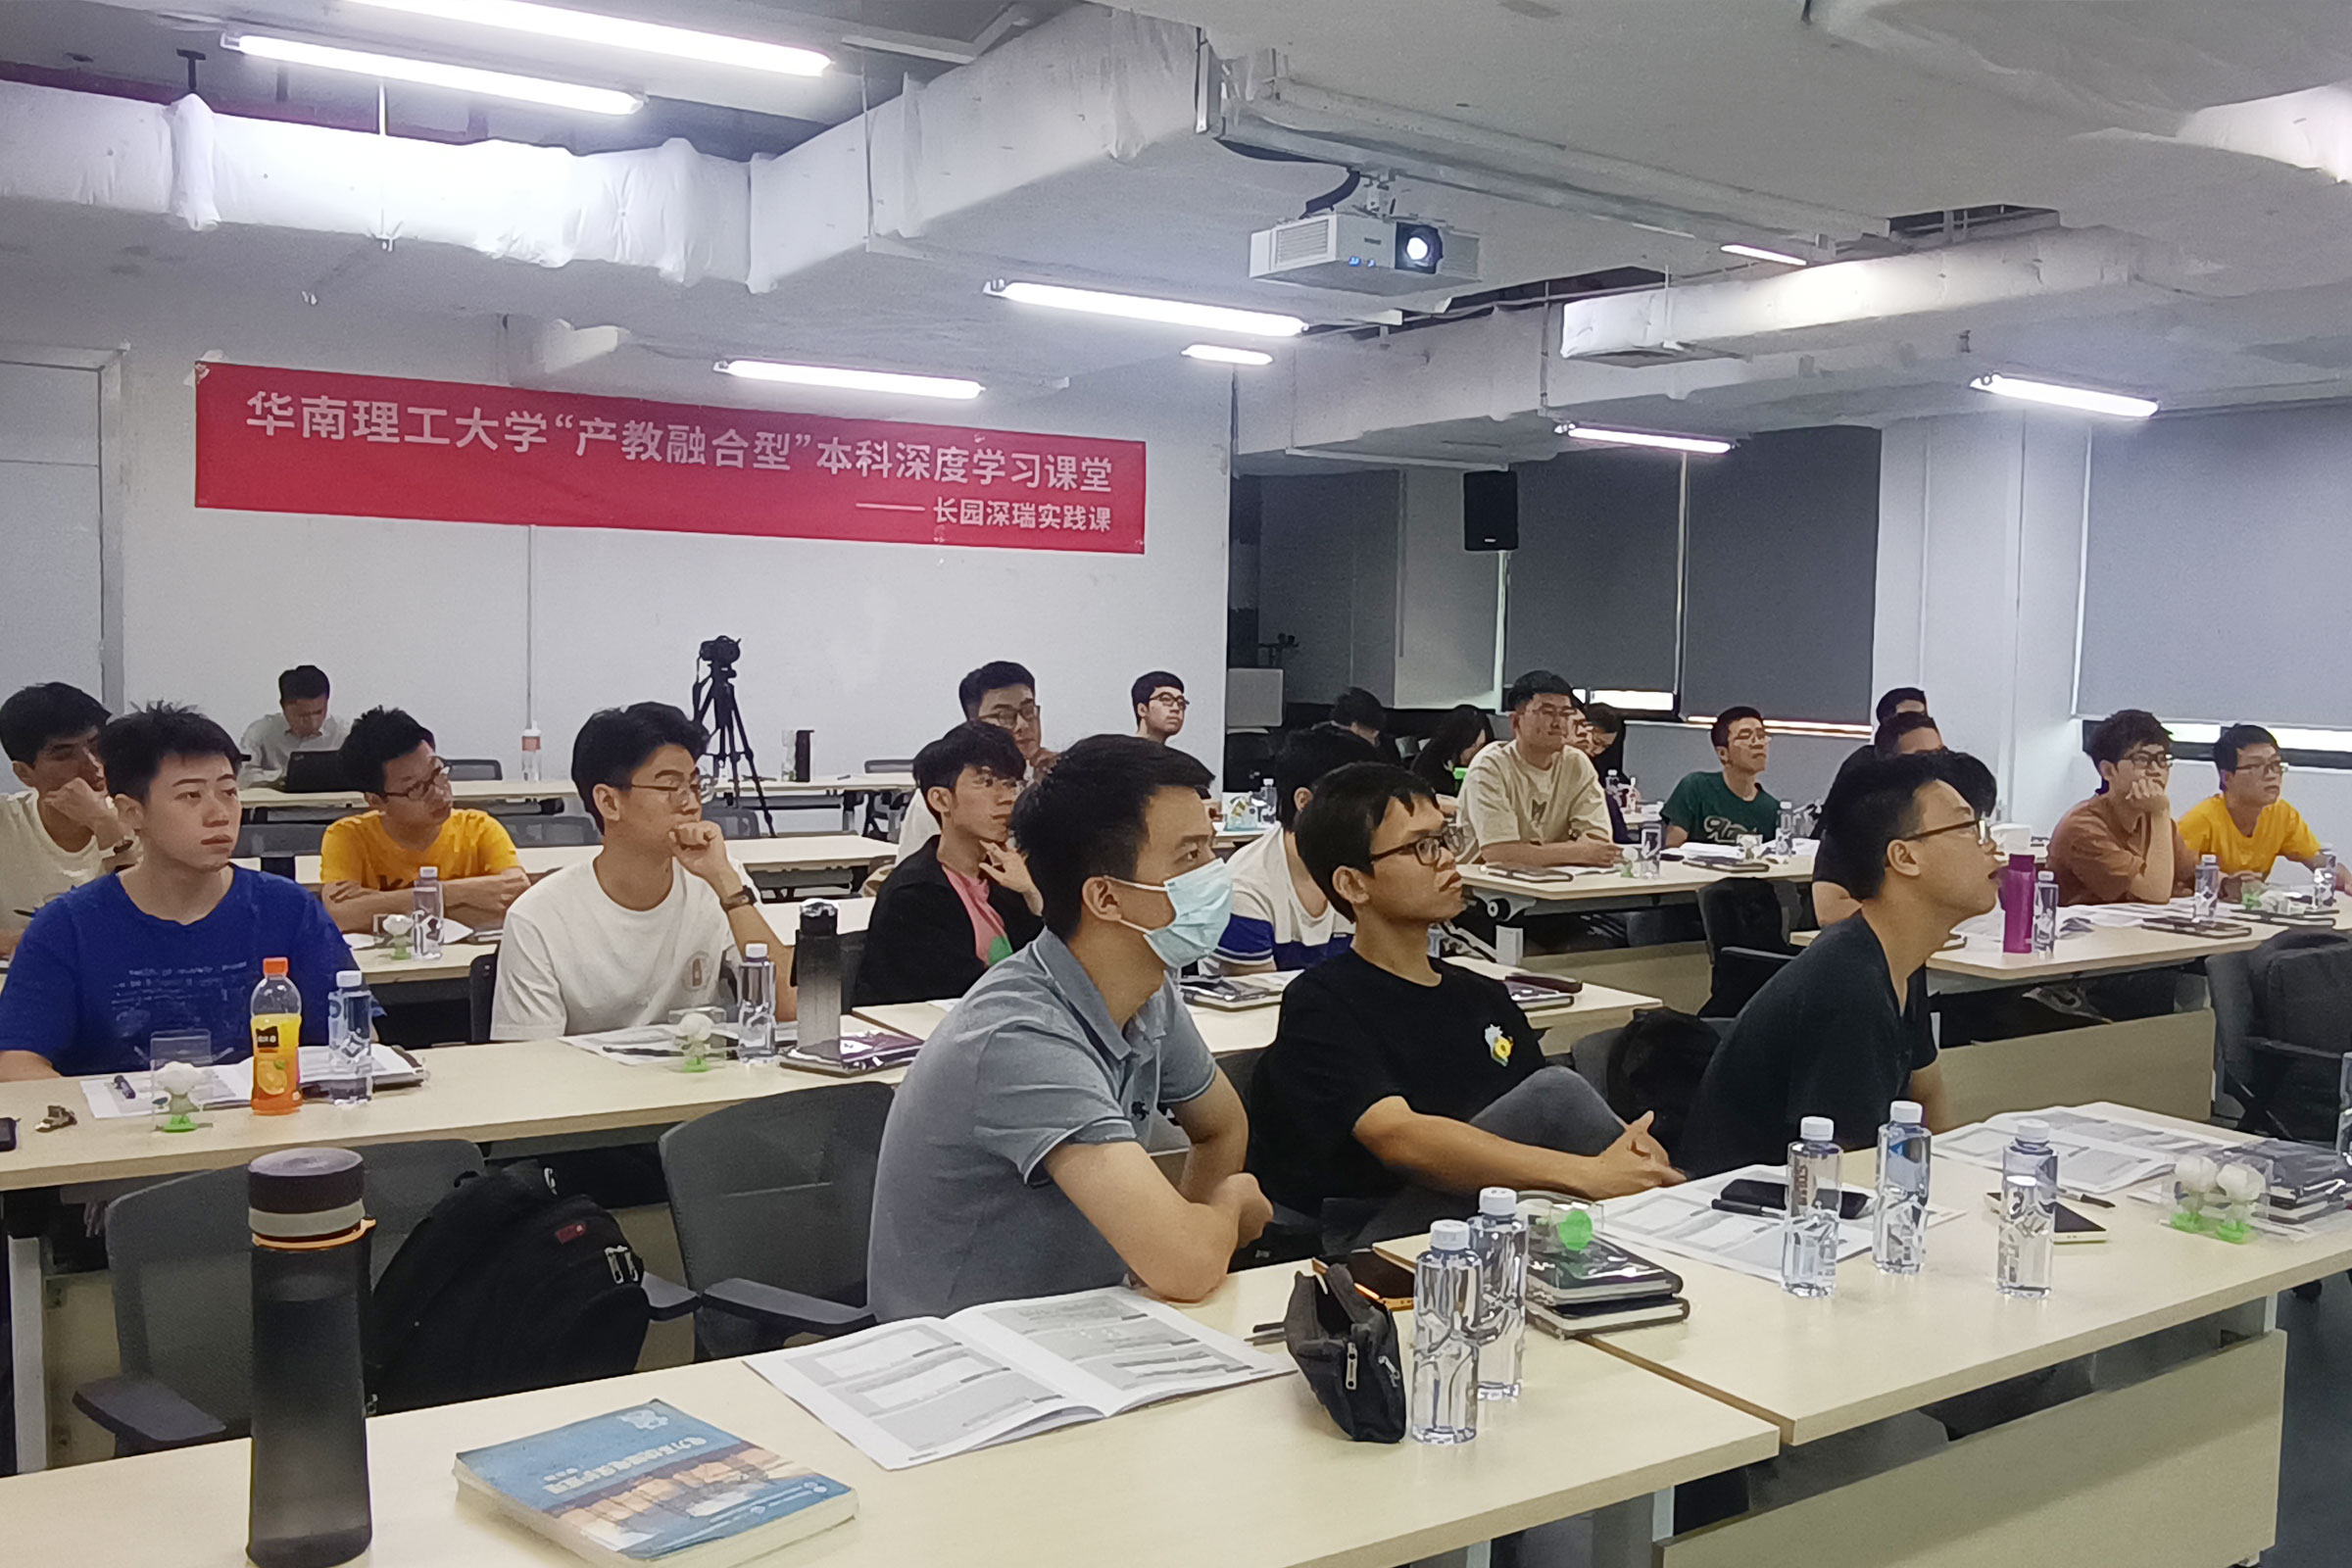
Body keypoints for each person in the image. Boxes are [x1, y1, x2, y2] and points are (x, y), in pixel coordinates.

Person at [866, 736, 1268, 1320]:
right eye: (1189, 858)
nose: (1215, 873)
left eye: (1211, 848)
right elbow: (1184, 1266)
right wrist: (1223, 1209)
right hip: (968, 1345)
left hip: (1084, 1322)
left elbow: (1222, 1125)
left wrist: (1188, 1237)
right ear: (1105, 896)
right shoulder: (1019, 1035)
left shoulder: (1148, 987)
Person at [1247, 762, 1682, 1245]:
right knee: (1557, 1091)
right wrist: (1590, 1175)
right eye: (1421, 847)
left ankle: (1673, 1217)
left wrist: (1630, 1155)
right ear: (1353, 884)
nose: (1447, 860)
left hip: (1502, 1221)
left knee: (1582, 1110)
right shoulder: (1323, 1002)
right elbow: (1400, 1138)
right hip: (1380, 1232)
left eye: (1445, 839)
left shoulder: (1480, 993)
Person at [1679, 752, 2000, 1176]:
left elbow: (1928, 1101)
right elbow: (1841, 1173)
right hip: (1754, 1204)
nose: (1991, 847)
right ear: (1904, 857)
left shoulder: (1900, 957)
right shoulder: (1849, 983)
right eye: (1967, 828)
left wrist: (1955, 1180)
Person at [0, 705, 350, 1080]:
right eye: (190, 796)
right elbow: (18, 1061)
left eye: (229, 792)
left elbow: (352, 1036)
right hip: (117, 1116)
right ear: (131, 813)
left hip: (268, 1111)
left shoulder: (288, 909)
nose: (219, 814)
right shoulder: (67, 926)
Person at [491, 704, 793, 1039]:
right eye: (671, 788)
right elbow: (528, 1061)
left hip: (700, 1071)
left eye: (695, 786)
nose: (691, 803)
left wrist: (726, 883)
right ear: (608, 802)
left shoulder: (719, 880)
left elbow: (789, 1007)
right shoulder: (537, 918)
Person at [855, 722, 1043, 1006]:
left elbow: (1054, 968)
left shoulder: (1007, 878)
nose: (1007, 798)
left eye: (1010, 784)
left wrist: (1033, 895)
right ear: (941, 799)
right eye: (986, 782)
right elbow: (967, 996)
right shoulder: (916, 893)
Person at [317, 707, 529, 935]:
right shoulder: (348, 836)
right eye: (416, 788)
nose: (437, 792)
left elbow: (516, 898)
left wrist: (380, 905)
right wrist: (460, 894)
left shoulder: (479, 829)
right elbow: (342, 916)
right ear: (376, 800)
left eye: (437, 772)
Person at [1212, 723, 1377, 974]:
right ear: (1304, 801)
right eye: (1359, 802)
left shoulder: (1369, 868)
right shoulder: (1246, 884)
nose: (1372, 817)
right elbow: (1260, 992)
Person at [0, 683, 138, 956]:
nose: (93, 766)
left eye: (97, 747)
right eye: (64, 755)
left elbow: (146, 919)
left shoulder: (142, 814)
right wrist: (37, 942)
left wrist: (105, 825)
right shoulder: (6, 821)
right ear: (24, 774)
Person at [895, 661, 1060, 862]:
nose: (1022, 725)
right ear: (973, 723)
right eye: (1004, 715)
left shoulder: (1048, 779)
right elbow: (913, 874)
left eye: (1028, 711)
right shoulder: (945, 796)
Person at [1457, 670, 1615, 867]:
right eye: (1547, 712)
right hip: (1485, 881)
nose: (1558, 723)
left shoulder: (1576, 763)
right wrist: (1579, 851)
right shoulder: (1490, 766)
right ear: (1516, 721)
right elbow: (1499, 854)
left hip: (1558, 879)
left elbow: (1599, 844)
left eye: (1566, 714)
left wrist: (1535, 853)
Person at [1814, 710, 1953, 924]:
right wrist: (1914, 916)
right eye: (1922, 756)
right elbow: (1830, 911)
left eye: (1941, 754)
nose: (1936, 766)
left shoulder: (1953, 823)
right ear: (1889, 764)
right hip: (1880, 940)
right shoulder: (1853, 826)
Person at [2178, 724, 2345, 898]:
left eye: (2275, 764)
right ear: (2227, 777)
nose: (2272, 775)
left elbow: (2320, 863)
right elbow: (2178, 871)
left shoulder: (2282, 815)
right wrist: (2224, 883)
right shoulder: (2201, 819)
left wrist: (2344, 879)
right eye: (2256, 766)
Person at [2047, 710, 2194, 906]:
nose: (2156, 771)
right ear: (2108, 771)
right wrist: (2160, 813)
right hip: (2084, 925)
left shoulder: (2151, 819)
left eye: (2162, 759)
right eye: (2142, 760)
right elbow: (2155, 894)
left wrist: (2227, 883)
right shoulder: (2083, 827)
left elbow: (2192, 874)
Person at [1662, 707, 1779, 848]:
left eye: (1761, 735)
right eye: (1745, 736)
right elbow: (1671, 848)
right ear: (1723, 753)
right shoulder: (1696, 787)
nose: (1758, 743)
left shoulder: (1771, 809)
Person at [238, 664, 348, 786]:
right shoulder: (259, 732)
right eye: (303, 715)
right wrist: (281, 779)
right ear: (283, 706)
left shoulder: (343, 733)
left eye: (319, 712)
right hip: (274, 797)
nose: (313, 723)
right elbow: (242, 776)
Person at [1572, 700, 1635, 842]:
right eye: (1596, 742)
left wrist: (1626, 789)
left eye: (1605, 747)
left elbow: (1614, 772)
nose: (1597, 751)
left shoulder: (1597, 760)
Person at [1409, 703, 1494, 799]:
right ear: (1456, 742)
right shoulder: (1428, 766)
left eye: (1482, 746)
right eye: (1473, 746)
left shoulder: (1486, 767)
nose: (1478, 752)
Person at [1131, 671, 1187, 744]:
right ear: (1142, 710)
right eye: (1166, 699)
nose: (1176, 709)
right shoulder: (1119, 748)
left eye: (1181, 703)